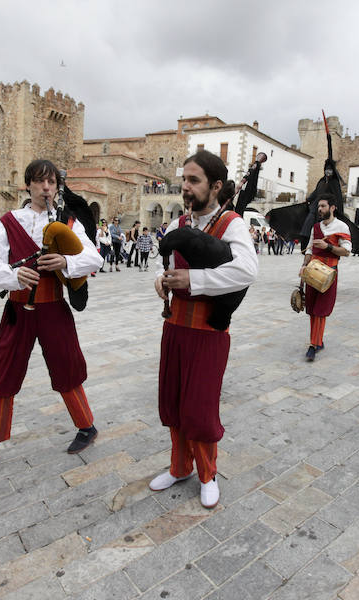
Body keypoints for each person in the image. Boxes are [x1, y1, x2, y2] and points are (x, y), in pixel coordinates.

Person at [0, 159, 104, 474]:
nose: (47, 188)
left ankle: (86, 427)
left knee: (67, 367)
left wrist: (65, 262)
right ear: (28, 185)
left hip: (54, 307)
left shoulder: (67, 220)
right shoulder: (9, 222)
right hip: (17, 309)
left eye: (52, 182)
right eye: (40, 182)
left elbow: (94, 257)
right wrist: (15, 276)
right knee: (3, 372)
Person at [149, 150, 258, 509]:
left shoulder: (232, 224)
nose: (185, 187)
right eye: (184, 180)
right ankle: (180, 467)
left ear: (215, 186)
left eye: (193, 180)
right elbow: (169, 265)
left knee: (200, 407)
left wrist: (193, 279)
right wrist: (161, 280)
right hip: (175, 328)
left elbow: (246, 271)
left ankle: (208, 474)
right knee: (174, 402)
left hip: (209, 333)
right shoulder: (181, 224)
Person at [299, 194, 351, 361]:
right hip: (313, 270)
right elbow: (309, 249)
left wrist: (328, 246)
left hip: (329, 272)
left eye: (323, 206)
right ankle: (318, 341)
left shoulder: (342, 227)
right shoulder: (316, 227)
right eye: (318, 207)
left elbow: (347, 251)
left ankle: (313, 344)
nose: (319, 209)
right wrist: (303, 266)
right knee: (313, 309)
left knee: (321, 310)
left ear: (332, 207)